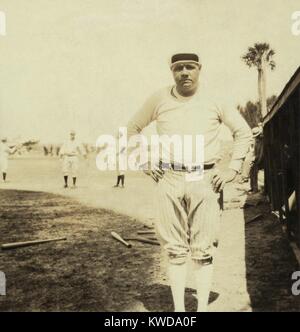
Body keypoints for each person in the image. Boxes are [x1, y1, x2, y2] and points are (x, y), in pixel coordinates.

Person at [125, 53, 252, 312]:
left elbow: (243, 132)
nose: (184, 72)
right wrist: (144, 161)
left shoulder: (215, 99)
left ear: (199, 70)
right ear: (172, 72)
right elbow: (132, 128)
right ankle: (180, 312)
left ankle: (201, 309)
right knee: (174, 249)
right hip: (169, 177)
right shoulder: (159, 98)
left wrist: (233, 168)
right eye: (178, 68)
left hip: (203, 178)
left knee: (203, 250)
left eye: (189, 67)